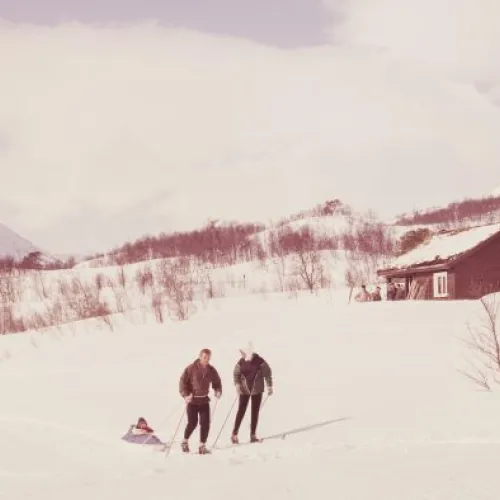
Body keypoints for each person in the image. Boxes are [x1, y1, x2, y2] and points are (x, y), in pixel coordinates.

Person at [179, 348, 222, 454]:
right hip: (192, 401)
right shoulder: (191, 368)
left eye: (208, 358)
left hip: (204, 401)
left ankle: (202, 446)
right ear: (200, 357)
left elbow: (217, 381)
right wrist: (185, 395)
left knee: (205, 423)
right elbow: (183, 382)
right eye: (204, 357)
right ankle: (184, 441)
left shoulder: (211, 370)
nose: (206, 359)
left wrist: (217, 390)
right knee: (192, 423)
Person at [231, 343, 273, 444]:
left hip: (257, 389)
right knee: (241, 411)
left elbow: (267, 372)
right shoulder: (241, 362)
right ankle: (234, 434)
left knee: (255, 412)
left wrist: (269, 386)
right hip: (244, 389)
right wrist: (237, 385)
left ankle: (253, 435)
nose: (242, 355)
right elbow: (236, 373)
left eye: (244, 353)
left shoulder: (259, 361)